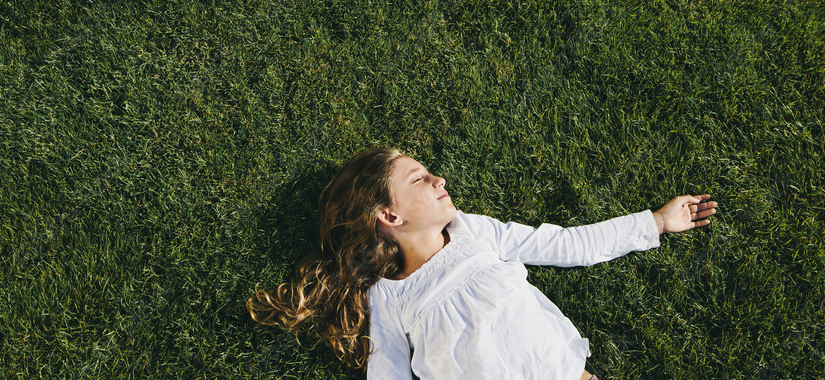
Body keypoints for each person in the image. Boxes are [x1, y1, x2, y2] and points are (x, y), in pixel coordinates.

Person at [247, 148, 717, 379]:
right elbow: (388, 374)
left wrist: (655, 222)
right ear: (389, 216)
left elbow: (564, 244)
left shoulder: (474, 232)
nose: (438, 179)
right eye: (419, 179)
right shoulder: (388, 297)